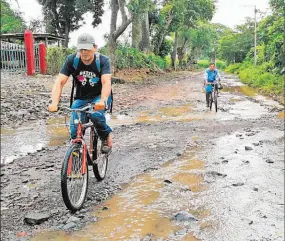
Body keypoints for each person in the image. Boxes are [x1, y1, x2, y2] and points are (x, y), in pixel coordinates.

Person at [48, 33, 112, 153]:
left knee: (96, 116)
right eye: (81, 49)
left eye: (87, 49)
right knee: (74, 130)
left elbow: (106, 82)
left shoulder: (103, 60)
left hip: (99, 96)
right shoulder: (72, 60)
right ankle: (77, 154)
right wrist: (54, 102)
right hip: (81, 98)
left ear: (94, 47)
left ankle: (105, 136)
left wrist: (103, 100)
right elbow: (60, 82)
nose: (84, 52)